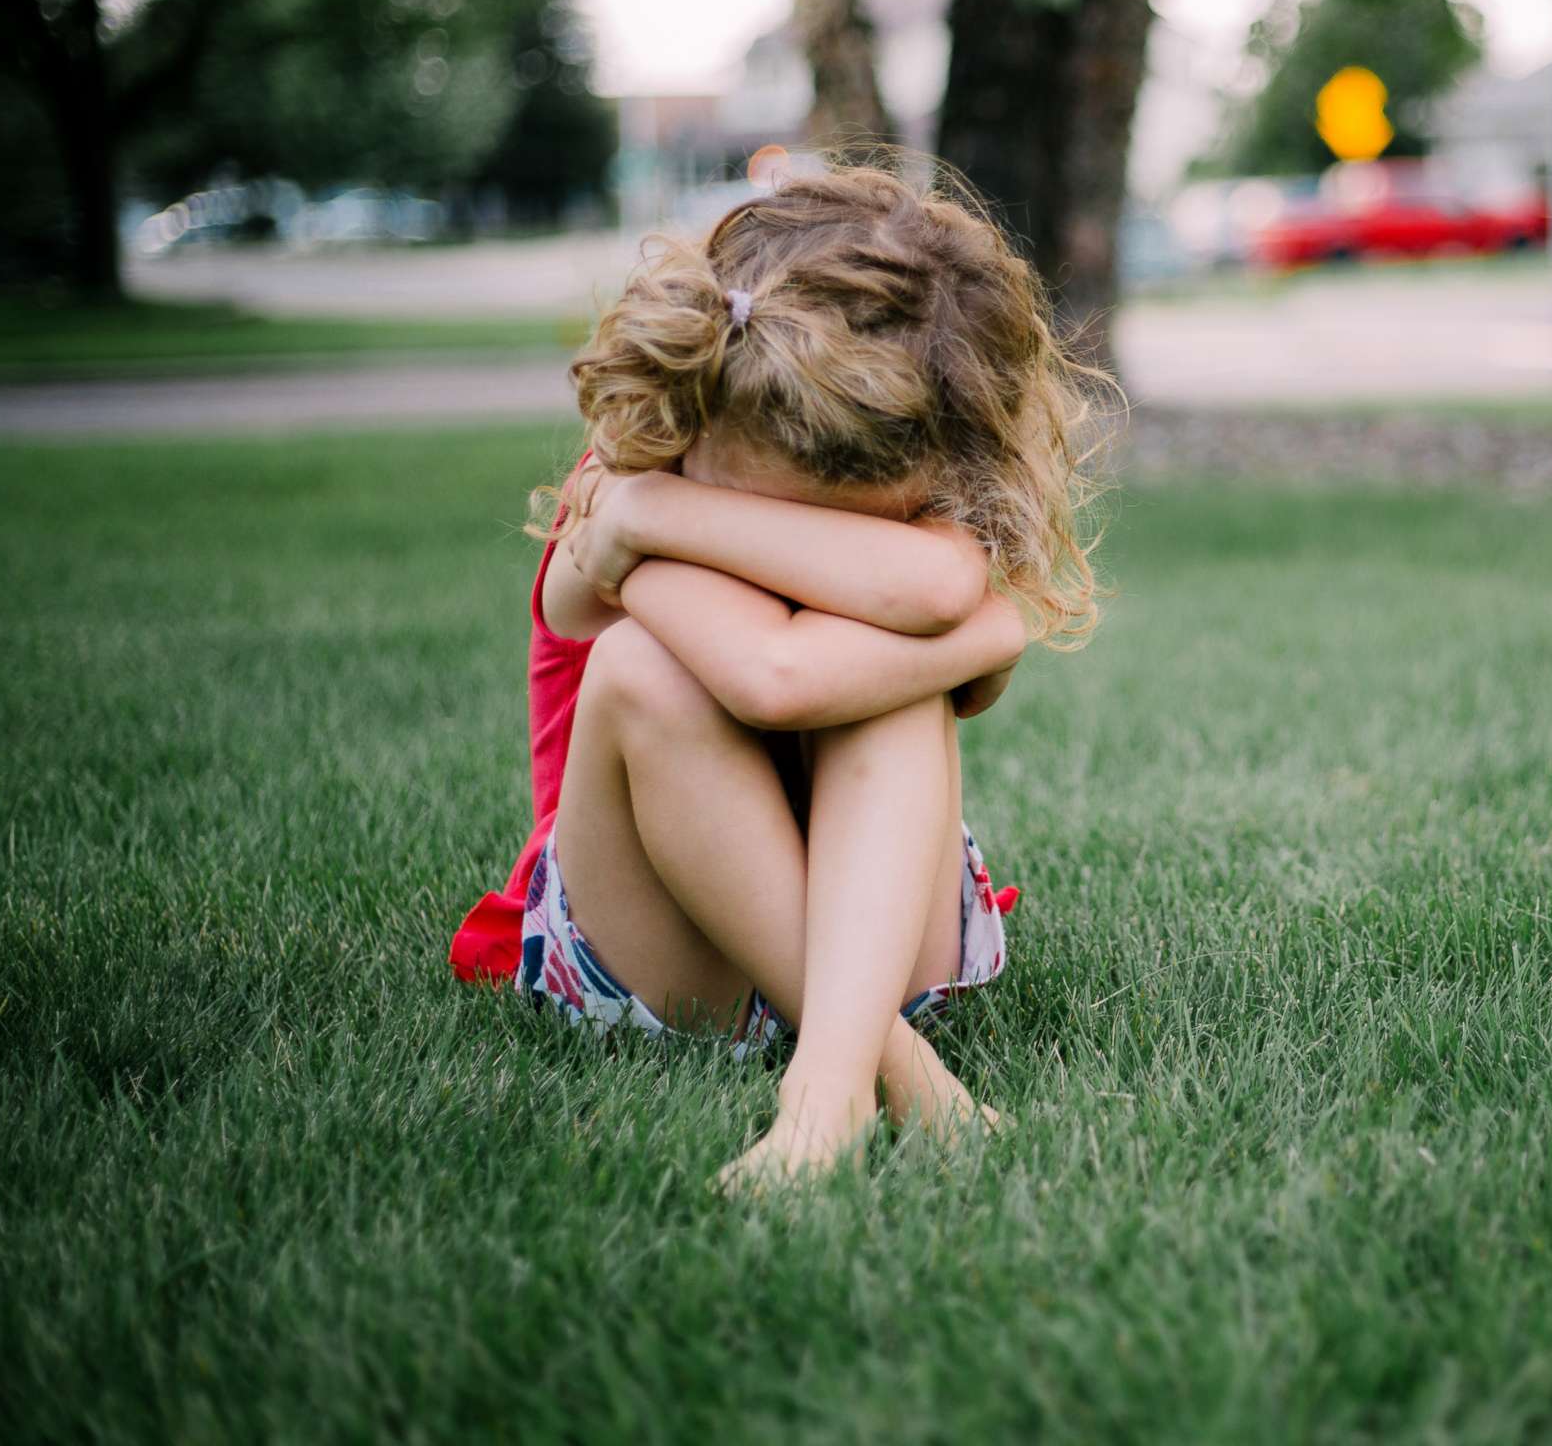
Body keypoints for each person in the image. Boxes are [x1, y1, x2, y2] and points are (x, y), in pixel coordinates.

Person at [448, 159, 1108, 1188]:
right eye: (773, 515)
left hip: (883, 940)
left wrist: (657, 523)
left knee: (888, 702)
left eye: (833, 532)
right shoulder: (634, 466)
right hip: (657, 952)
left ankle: (826, 1092)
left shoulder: (654, 509)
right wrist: (989, 634)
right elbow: (775, 675)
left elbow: (925, 602)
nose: (799, 544)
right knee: (638, 666)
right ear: (703, 417)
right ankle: (885, 1069)